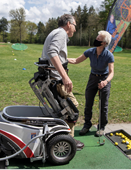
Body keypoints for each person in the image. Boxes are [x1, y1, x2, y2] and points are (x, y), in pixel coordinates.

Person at [41, 14, 83, 148]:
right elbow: (52, 52)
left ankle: (63, 136)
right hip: (56, 80)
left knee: (64, 109)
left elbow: (53, 53)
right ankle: (68, 139)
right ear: (69, 24)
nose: (75, 29)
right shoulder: (61, 33)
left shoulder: (55, 32)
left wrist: (65, 59)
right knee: (72, 109)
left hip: (50, 78)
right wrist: (65, 77)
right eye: (75, 26)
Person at [69, 31, 115, 137]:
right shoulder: (90, 51)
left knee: (103, 105)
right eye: (97, 37)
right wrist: (61, 59)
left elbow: (111, 72)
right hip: (92, 78)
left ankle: (101, 127)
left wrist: (105, 82)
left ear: (104, 43)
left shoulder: (109, 55)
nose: (96, 39)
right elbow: (76, 60)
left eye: (99, 39)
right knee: (88, 103)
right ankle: (87, 125)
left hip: (104, 79)